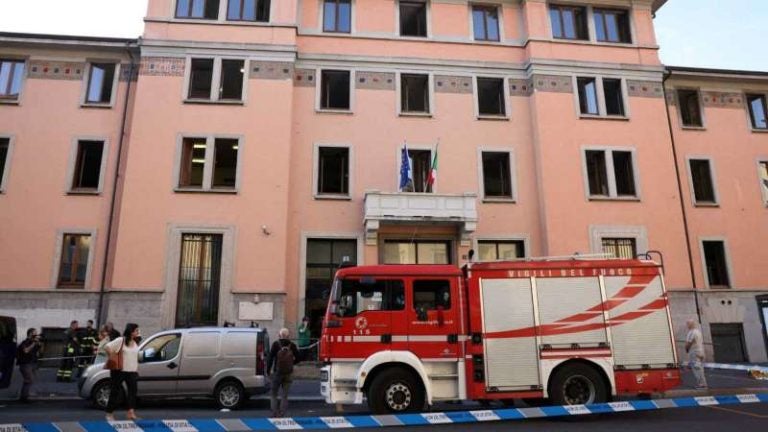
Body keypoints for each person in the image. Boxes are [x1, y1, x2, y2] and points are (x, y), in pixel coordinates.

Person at [104, 323, 141, 421]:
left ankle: (130, 412)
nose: (138, 332)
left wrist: (136, 368)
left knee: (133, 392)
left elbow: (134, 356)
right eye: (136, 330)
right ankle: (109, 413)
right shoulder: (121, 340)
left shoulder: (136, 342)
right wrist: (113, 357)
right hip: (119, 370)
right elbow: (107, 347)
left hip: (132, 371)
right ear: (131, 331)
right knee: (115, 392)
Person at [266, 328, 300, 418]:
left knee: (274, 393)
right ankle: (282, 413)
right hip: (288, 372)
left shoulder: (275, 344)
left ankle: (274, 412)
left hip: (277, 372)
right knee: (284, 395)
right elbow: (299, 358)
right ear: (288, 336)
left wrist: (268, 370)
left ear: (279, 335)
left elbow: (270, 358)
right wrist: (292, 364)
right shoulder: (292, 345)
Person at [17, 328, 42, 403]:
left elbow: (39, 352)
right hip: (25, 364)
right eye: (35, 333)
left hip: (32, 363)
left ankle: (25, 395)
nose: (36, 335)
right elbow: (26, 351)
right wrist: (33, 343)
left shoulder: (33, 342)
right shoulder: (25, 342)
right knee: (28, 380)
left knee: (30, 381)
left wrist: (39, 344)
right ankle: (23, 398)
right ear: (30, 334)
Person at [685, 319, 708, 389]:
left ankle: (702, 384)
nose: (687, 325)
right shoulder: (698, 332)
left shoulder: (691, 332)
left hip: (694, 353)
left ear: (691, 324)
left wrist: (686, 349)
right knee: (700, 369)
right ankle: (703, 383)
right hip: (700, 351)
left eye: (688, 324)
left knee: (697, 369)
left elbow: (689, 343)